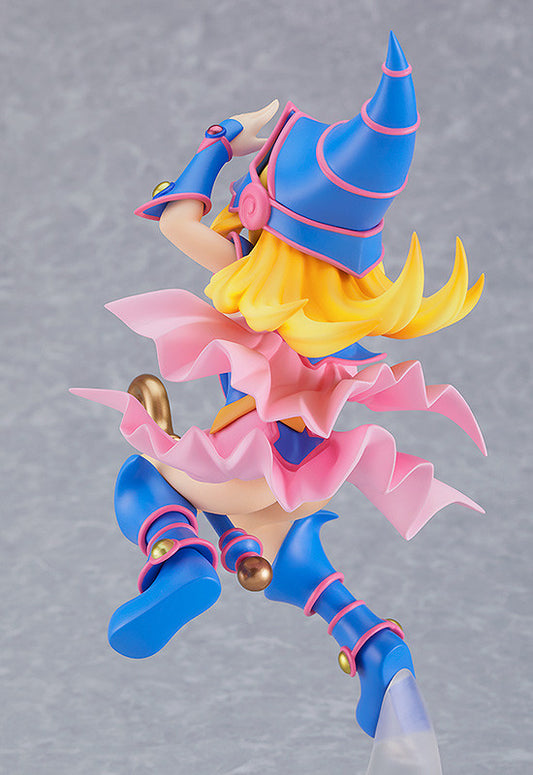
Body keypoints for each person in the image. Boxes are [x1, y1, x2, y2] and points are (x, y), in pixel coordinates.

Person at [72, 32, 485, 740]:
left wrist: (220, 139)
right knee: (291, 559)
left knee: (145, 474)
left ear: (268, 205)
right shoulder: (342, 308)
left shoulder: (250, 270)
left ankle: (181, 559)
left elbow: (176, 219)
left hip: (251, 452)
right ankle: (376, 650)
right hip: (311, 472)